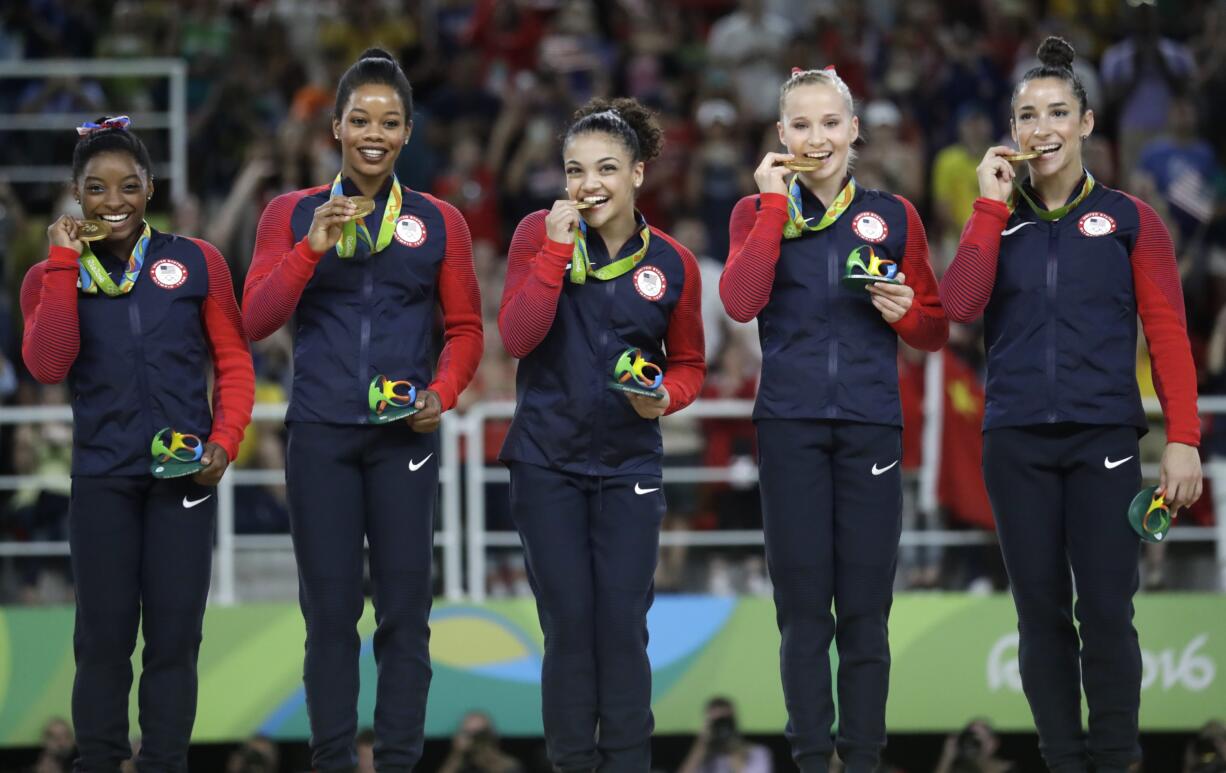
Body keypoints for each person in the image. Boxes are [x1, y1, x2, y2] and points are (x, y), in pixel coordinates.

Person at [939, 37, 1203, 773]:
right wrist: (988, 210)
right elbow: (959, 304)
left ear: (1087, 123)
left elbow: (1170, 334)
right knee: (1040, 616)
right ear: (1012, 130)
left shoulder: (1131, 220)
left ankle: (1116, 760)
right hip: (1014, 442)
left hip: (1106, 441)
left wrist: (1183, 437)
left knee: (1108, 612)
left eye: (1058, 111)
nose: (1042, 126)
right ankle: (1063, 759)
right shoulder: (995, 218)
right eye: (1027, 115)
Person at [242, 48, 483, 771]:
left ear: (408, 132)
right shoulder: (289, 213)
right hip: (320, 434)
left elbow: (467, 331)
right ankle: (333, 761)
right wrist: (309, 250)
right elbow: (255, 317)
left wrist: (442, 393)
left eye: (389, 120)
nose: (373, 132)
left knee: (406, 616)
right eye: (359, 119)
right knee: (330, 619)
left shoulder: (441, 222)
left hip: (401, 436)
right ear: (336, 130)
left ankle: (401, 759)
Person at [720, 67, 948, 773]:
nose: (815, 138)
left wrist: (905, 310)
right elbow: (739, 300)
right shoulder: (754, 213)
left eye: (829, 123)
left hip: (870, 425)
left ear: (854, 130)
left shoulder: (895, 215)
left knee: (864, 610)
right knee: (802, 612)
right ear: (781, 135)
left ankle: (866, 757)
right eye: (800, 125)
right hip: (788, 425)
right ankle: (812, 758)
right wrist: (767, 209)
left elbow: (935, 328)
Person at [20, 116, 254, 771]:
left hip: (183, 477)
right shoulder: (49, 276)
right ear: (76, 195)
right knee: (102, 639)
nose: (113, 200)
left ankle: (164, 762)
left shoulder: (196, 260)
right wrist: (65, 261)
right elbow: (48, 363)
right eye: (96, 188)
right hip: (102, 477)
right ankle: (97, 761)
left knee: (176, 637)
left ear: (149, 187)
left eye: (127, 185)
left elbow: (233, 360)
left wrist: (225, 441)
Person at [498, 96, 706, 772]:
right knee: (568, 628)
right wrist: (556, 253)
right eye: (576, 169)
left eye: (607, 168)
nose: (589, 184)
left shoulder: (673, 263)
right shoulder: (538, 233)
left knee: (622, 628)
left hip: (628, 465)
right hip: (545, 462)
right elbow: (517, 335)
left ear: (639, 172)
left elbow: (691, 364)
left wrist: (665, 398)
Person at [678, 697, 773, 773]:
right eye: (716, 722)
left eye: (725, 721)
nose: (721, 727)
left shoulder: (758, 752)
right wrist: (701, 744)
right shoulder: (703, 758)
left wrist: (733, 747)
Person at [438, 711, 524, 773]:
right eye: (467, 734)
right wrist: (456, 755)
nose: (473, 740)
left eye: (478, 735)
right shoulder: (459, 766)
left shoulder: (508, 767)